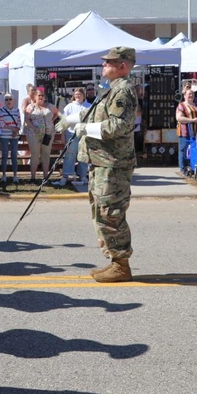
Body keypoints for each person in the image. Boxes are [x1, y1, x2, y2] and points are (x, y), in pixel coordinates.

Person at [67, 47, 137, 283]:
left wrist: (86, 129)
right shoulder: (110, 91)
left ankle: (121, 264)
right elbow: (97, 117)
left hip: (113, 164)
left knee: (111, 213)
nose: (104, 65)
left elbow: (119, 125)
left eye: (110, 62)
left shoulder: (123, 91)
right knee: (101, 212)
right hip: (101, 162)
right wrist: (71, 120)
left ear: (123, 66)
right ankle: (114, 260)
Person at [24, 88, 58, 183]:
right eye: (39, 95)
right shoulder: (30, 107)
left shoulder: (50, 106)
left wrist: (51, 121)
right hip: (34, 134)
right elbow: (27, 119)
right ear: (35, 97)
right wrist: (34, 128)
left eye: (43, 95)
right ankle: (33, 177)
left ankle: (45, 177)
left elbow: (57, 113)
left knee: (46, 154)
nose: (41, 97)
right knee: (35, 154)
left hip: (48, 133)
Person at [58, 87, 91, 185]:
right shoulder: (69, 107)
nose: (78, 96)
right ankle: (66, 175)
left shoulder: (89, 106)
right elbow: (64, 122)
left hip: (85, 133)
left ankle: (82, 175)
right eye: (76, 94)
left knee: (83, 155)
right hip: (71, 133)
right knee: (70, 154)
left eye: (79, 94)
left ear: (83, 95)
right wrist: (62, 134)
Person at [175, 89, 197, 176]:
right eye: (188, 94)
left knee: (196, 151)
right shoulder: (181, 106)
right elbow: (179, 118)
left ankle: (195, 168)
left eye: (192, 94)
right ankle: (183, 168)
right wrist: (192, 120)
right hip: (185, 132)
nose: (190, 96)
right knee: (183, 150)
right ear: (184, 96)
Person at [0, 93, 21, 183]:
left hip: (14, 136)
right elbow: (2, 123)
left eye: (10, 99)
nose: (8, 101)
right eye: (6, 99)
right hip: (4, 135)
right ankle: (3, 175)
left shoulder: (17, 110)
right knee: (4, 155)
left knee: (14, 155)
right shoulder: (1, 110)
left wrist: (16, 130)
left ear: (13, 100)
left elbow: (19, 122)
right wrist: (13, 129)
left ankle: (15, 175)